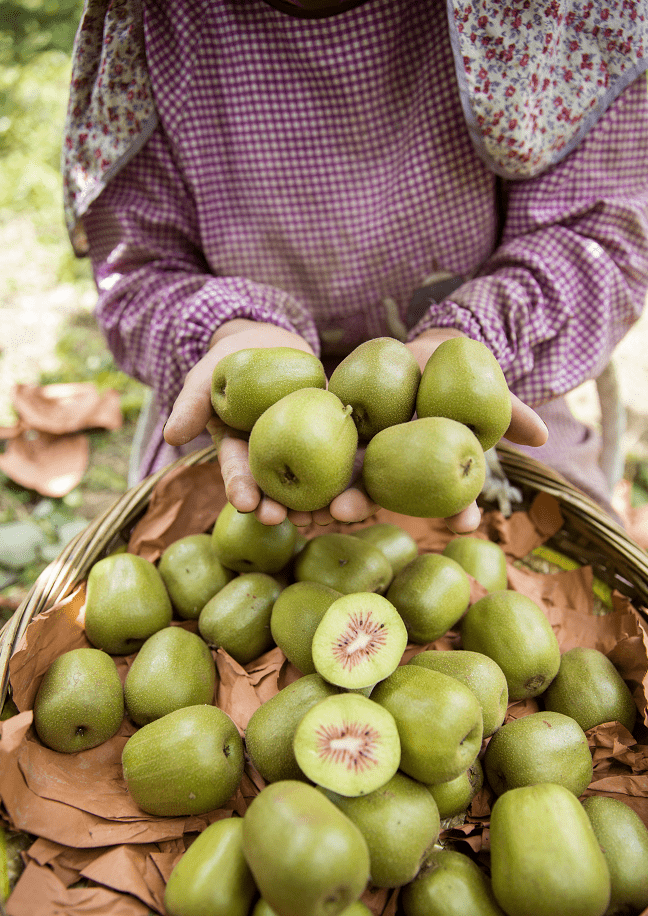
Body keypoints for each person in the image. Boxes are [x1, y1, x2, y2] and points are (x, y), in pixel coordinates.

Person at [61, 0, 648, 528]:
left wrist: (469, 336)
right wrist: (229, 328)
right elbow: (139, 268)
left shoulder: (547, 18)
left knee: (564, 539)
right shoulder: (151, 28)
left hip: (494, 381)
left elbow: (598, 231)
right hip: (244, 416)